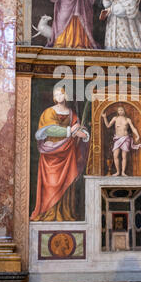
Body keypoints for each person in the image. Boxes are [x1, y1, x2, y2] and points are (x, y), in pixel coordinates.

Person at [30, 85, 89, 222]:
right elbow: (50, 130)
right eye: (56, 94)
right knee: (51, 184)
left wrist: (83, 134)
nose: (59, 97)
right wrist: (71, 131)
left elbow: (79, 127)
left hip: (68, 153)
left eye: (61, 94)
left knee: (67, 184)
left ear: (66, 95)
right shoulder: (49, 112)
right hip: (52, 153)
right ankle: (48, 213)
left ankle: (65, 213)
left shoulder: (71, 113)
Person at [102, 106, 140, 177]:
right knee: (115, 155)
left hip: (125, 138)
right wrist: (104, 117)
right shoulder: (115, 118)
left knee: (124, 156)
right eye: (119, 110)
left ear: (124, 111)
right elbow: (108, 126)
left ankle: (123, 172)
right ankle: (117, 172)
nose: (120, 111)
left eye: (122, 110)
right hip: (117, 138)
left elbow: (133, 128)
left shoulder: (127, 119)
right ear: (117, 111)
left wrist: (137, 135)